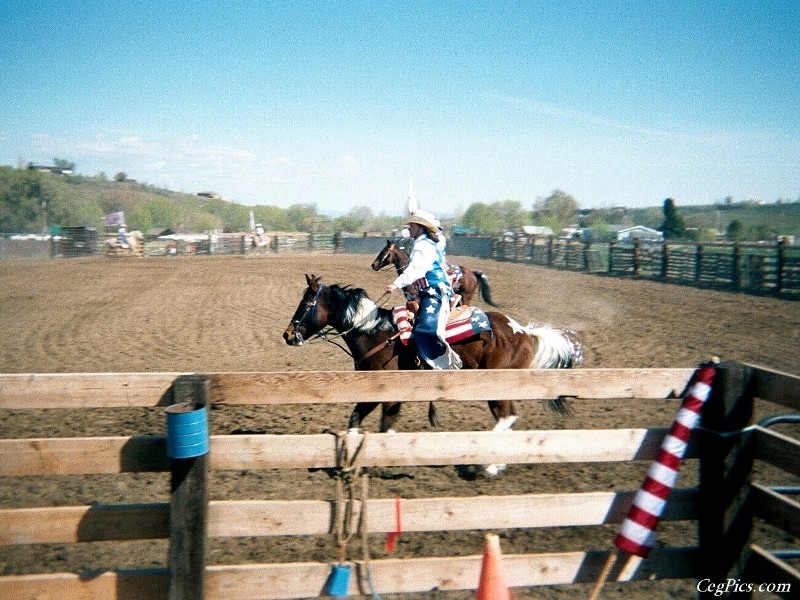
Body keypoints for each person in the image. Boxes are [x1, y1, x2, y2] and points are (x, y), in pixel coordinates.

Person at [385, 210, 462, 370]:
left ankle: (443, 365)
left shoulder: (424, 245)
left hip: (435, 292)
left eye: (411, 225)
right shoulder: (426, 242)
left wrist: (396, 284)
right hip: (427, 291)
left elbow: (416, 270)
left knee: (426, 329)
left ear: (420, 227)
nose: (409, 229)